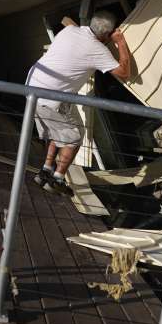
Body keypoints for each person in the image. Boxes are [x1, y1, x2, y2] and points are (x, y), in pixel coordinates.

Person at [25, 10, 132, 195]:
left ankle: (45, 171)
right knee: (74, 138)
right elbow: (124, 72)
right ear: (107, 34)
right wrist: (120, 42)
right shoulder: (98, 50)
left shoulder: (70, 31)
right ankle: (57, 179)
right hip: (52, 98)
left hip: (33, 88)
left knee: (57, 131)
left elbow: (66, 20)